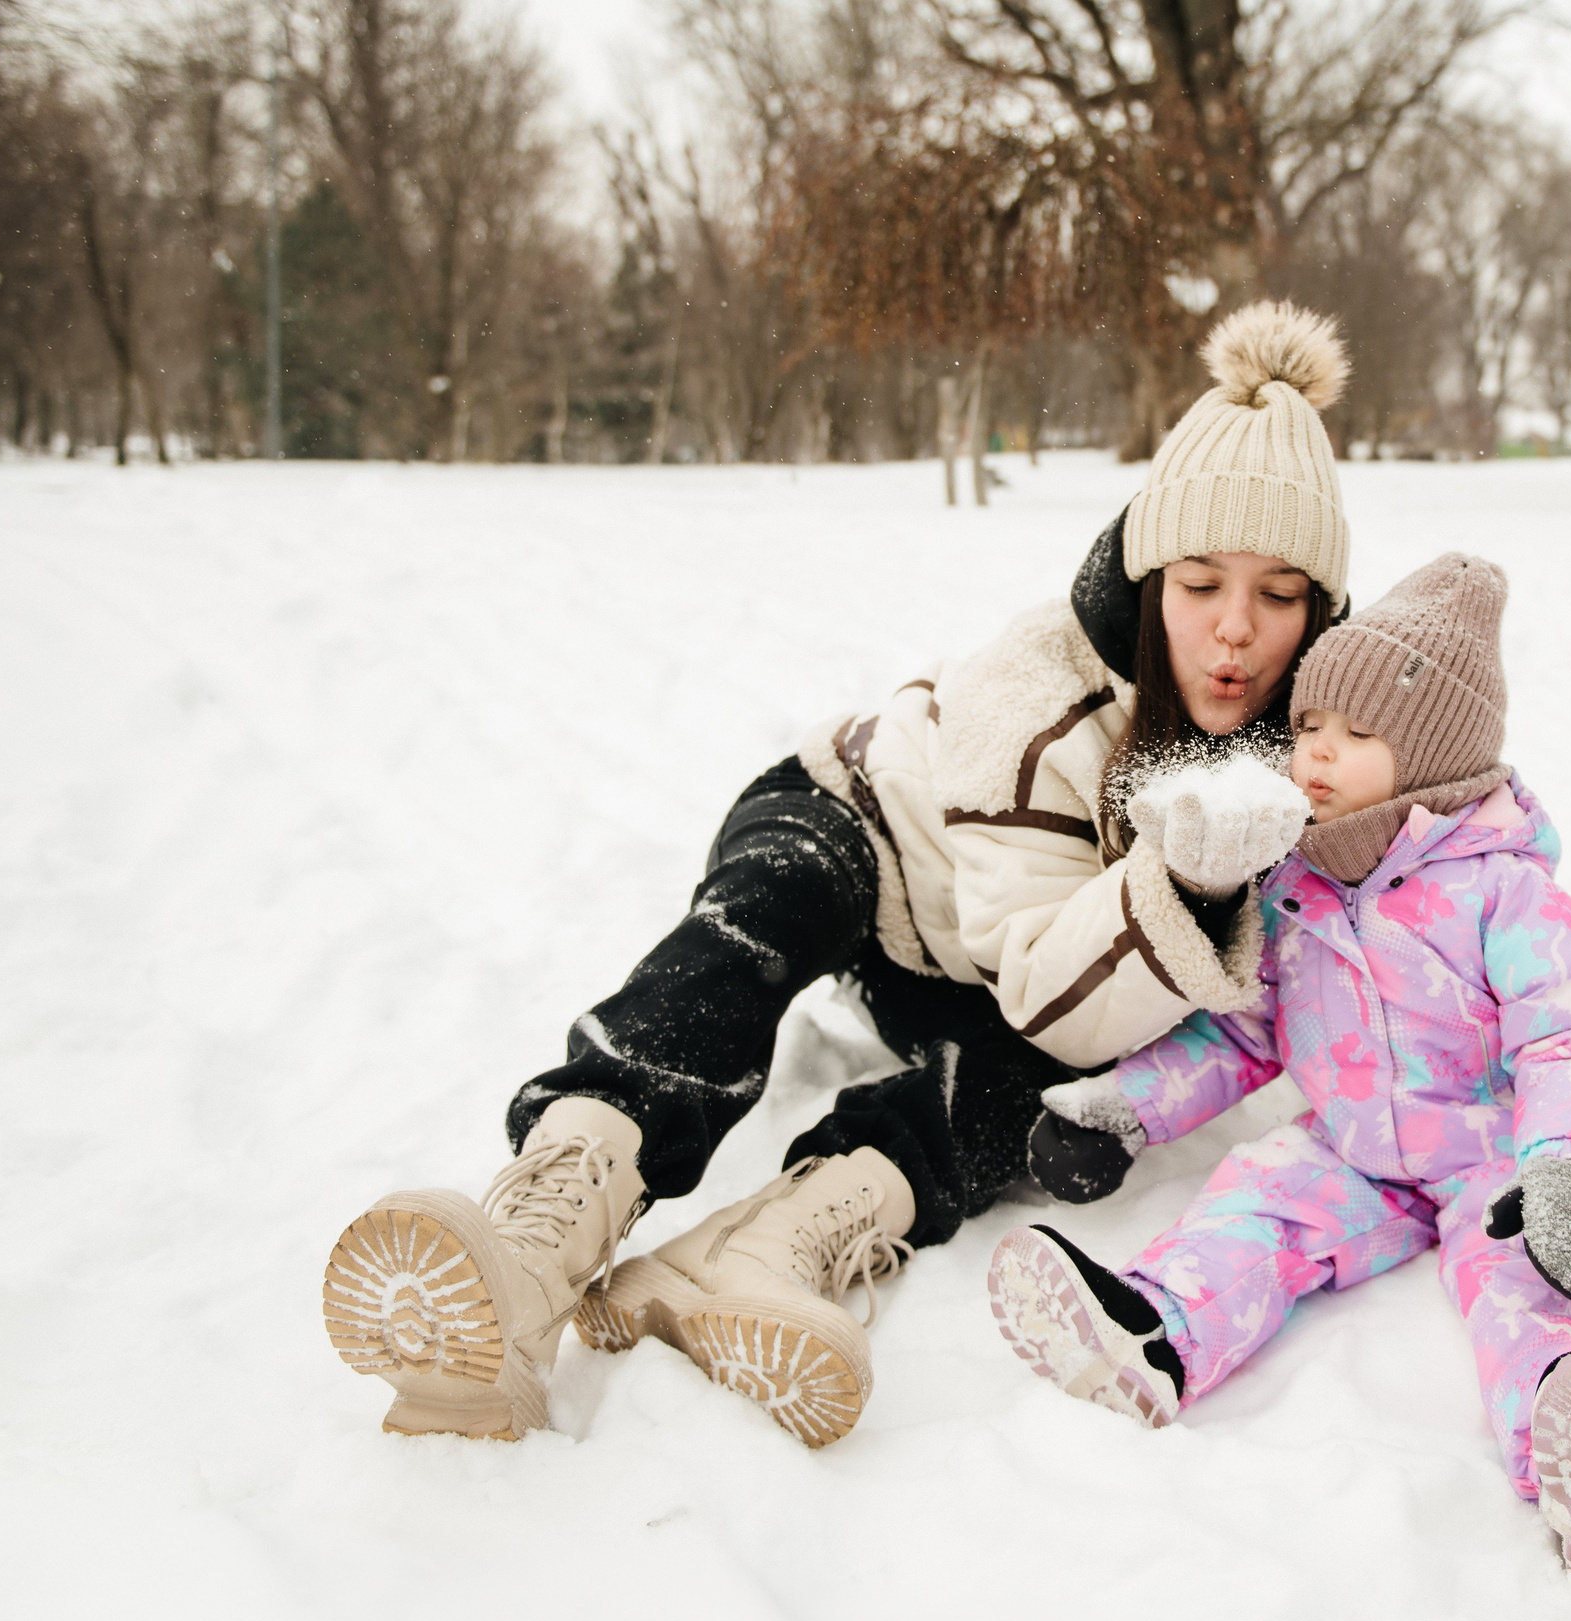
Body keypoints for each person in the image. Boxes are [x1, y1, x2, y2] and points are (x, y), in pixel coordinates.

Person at [320, 301, 1353, 1448]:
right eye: (1200, 582)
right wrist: (1189, 883)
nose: (1234, 630)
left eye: (1277, 595)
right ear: (1147, 577)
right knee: (757, 925)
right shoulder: (1038, 691)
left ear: (1319, 612)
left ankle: (776, 1238)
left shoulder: (1316, 737)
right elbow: (1043, 980)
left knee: (1066, 1095)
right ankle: (544, 1226)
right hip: (859, 828)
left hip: (974, 968)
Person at [987, 554, 1571, 1582]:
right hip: (1352, 1146)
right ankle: (1153, 1331)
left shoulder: (1504, 893)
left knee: (1533, 1277)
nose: (1315, 749)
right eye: (1310, 723)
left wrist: (1568, 1167)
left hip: (1495, 1152)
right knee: (1256, 1203)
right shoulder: (1296, 882)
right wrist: (1126, 1109)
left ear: (1431, 753)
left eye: (1356, 733)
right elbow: (1245, 1032)